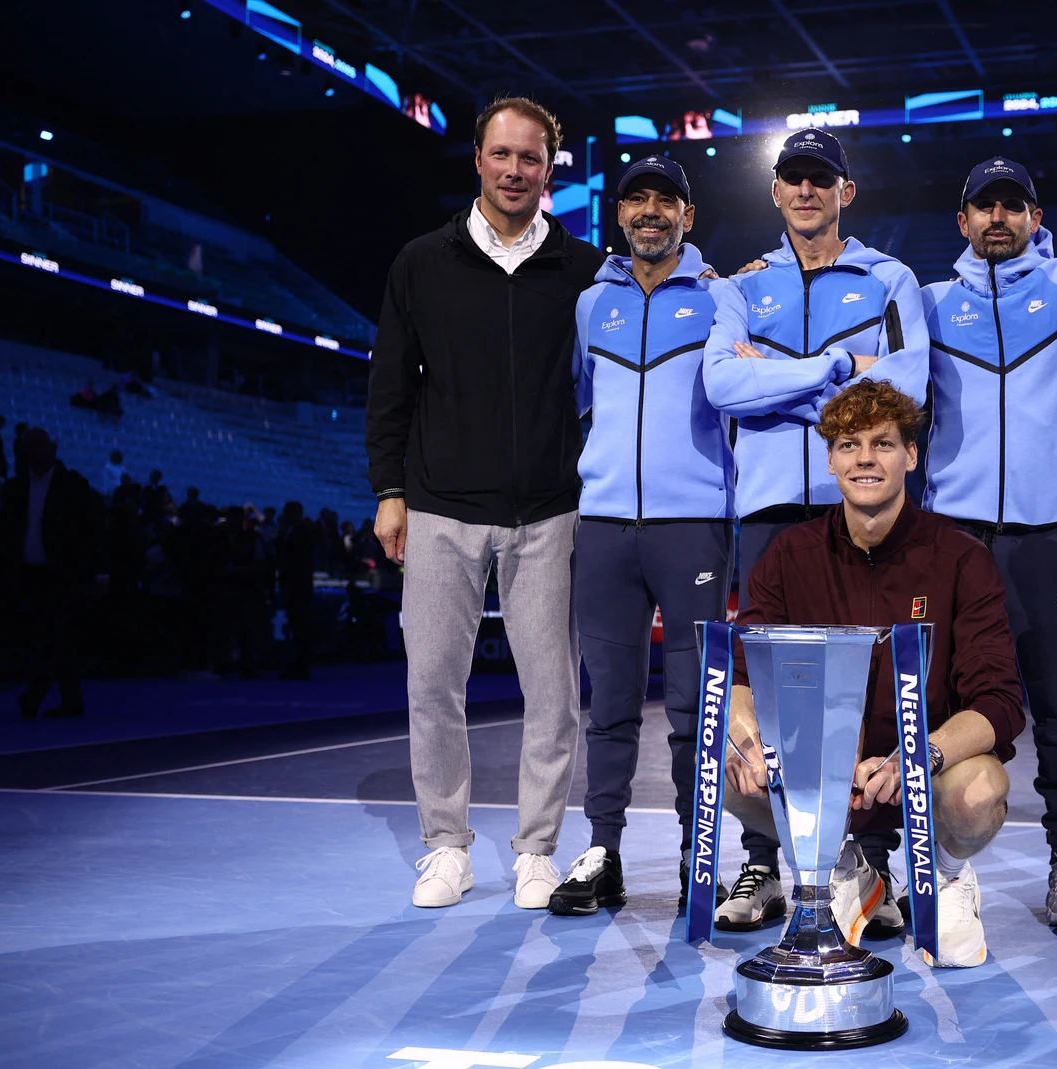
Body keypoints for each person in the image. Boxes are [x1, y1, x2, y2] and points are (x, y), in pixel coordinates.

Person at [366, 95, 603, 910]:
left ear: (549, 169)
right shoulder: (420, 263)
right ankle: (445, 845)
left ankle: (536, 847)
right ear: (477, 159)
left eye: (530, 158)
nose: (514, 170)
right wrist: (389, 491)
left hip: (548, 510)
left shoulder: (583, 270)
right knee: (432, 681)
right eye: (501, 155)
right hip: (438, 506)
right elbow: (389, 385)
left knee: (553, 691)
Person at [702, 127, 928, 931]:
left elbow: (908, 380)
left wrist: (777, 378)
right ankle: (762, 862)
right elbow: (723, 382)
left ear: (845, 193)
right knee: (764, 695)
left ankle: (869, 863)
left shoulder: (891, 278)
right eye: (792, 178)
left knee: (865, 695)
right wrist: (835, 369)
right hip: (768, 512)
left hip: (860, 513)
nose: (806, 191)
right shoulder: (740, 286)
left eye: (820, 179)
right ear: (775, 193)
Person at [721, 379, 1022, 968]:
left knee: (981, 790)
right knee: (725, 766)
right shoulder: (788, 556)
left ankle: (948, 874)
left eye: (883, 444)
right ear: (830, 459)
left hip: (924, 771)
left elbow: (1001, 702)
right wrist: (750, 743)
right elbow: (741, 676)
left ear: (911, 456)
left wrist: (919, 756)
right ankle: (842, 862)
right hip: (820, 773)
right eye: (849, 444)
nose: (865, 458)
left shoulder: (962, 559)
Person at [917, 156, 1057, 926]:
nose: (998, 218)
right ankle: (929, 863)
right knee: (935, 705)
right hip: (951, 540)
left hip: (1041, 538)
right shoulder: (927, 304)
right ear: (961, 222)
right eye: (983, 207)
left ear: (1035, 218)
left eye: (1014, 206)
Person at [551, 156, 736, 916]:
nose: (650, 212)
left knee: (696, 707)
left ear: (688, 215)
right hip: (603, 529)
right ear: (619, 215)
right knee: (611, 702)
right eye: (637, 200)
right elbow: (578, 396)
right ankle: (603, 849)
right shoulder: (592, 304)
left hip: (691, 527)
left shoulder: (725, 297)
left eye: (666, 200)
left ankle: (700, 853)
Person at [0, 427, 106, 719]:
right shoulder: (16, 488)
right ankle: (70, 700)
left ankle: (34, 697)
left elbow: (93, 530)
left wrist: (99, 572)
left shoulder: (73, 484)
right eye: (29, 447)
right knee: (52, 638)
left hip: (64, 573)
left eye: (39, 446)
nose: (34, 452)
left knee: (54, 635)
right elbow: (3, 528)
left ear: (53, 448)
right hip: (29, 573)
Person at [275, 501, 316, 681]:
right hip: (297, 587)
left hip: (298, 588)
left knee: (300, 628)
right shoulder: (296, 533)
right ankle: (299, 665)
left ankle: (301, 666)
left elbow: (295, 563)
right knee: (298, 627)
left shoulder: (300, 534)